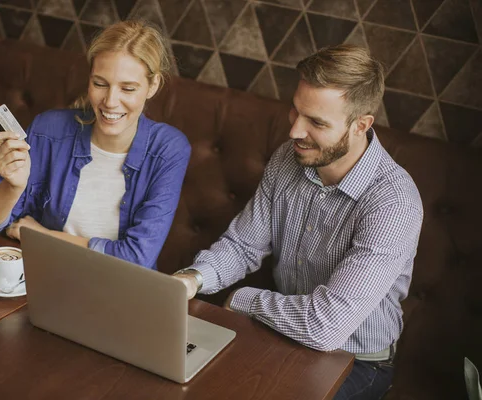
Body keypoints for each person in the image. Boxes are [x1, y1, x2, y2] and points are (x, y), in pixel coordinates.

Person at [173, 44, 423, 399]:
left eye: (316, 122)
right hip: (277, 333)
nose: (294, 132)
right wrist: (191, 280)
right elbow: (243, 246)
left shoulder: (394, 203)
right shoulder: (290, 159)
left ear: (361, 125)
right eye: (296, 111)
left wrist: (242, 299)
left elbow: (326, 326)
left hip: (356, 361)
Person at [0, 20, 191, 270]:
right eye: (100, 84)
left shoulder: (168, 149)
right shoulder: (48, 130)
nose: (110, 102)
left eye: (128, 89)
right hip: (44, 276)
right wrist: (12, 186)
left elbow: (136, 258)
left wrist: (42, 235)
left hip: (120, 291)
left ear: (153, 86)